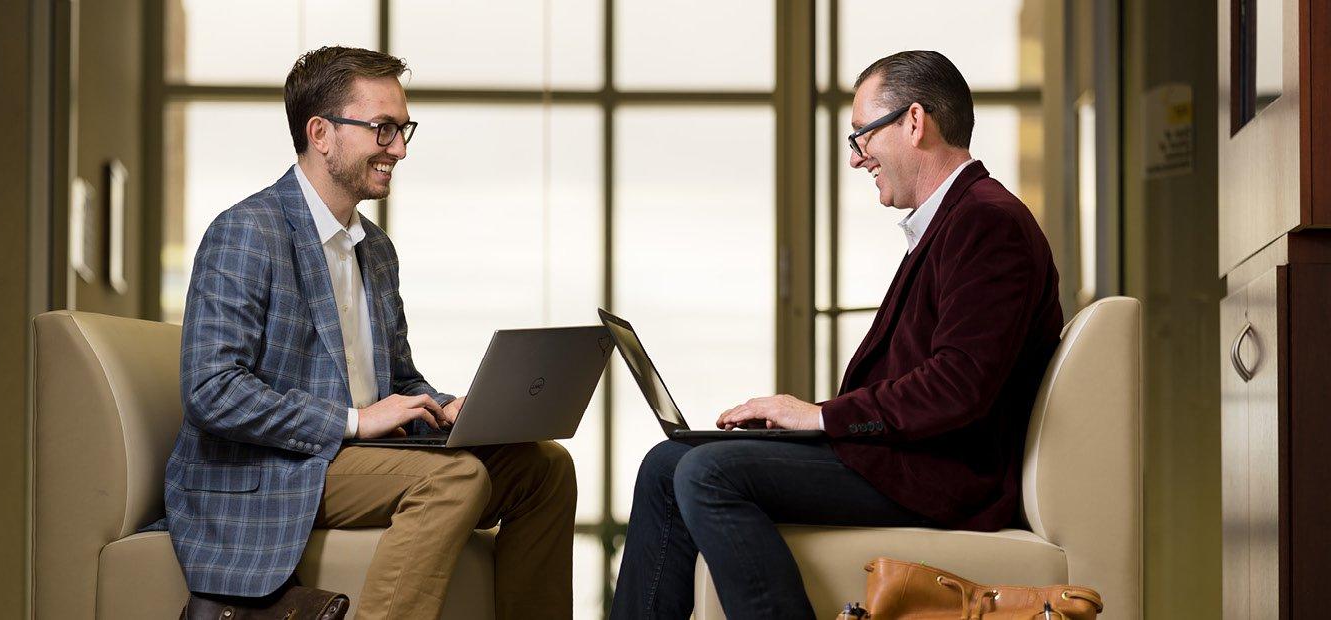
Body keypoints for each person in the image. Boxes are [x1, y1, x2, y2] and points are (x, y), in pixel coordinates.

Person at [609, 50, 1064, 619]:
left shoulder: (987, 222)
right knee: (666, 462)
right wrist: (810, 421)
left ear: (914, 123)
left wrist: (819, 417)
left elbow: (958, 385)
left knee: (709, 471)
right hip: (908, 457)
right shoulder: (952, 221)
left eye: (862, 135)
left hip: (943, 475)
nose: (856, 158)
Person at [161, 46, 575, 620]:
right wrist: (354, 421)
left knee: (545, 467)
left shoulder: (375, 250)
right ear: (321, 133)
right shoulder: (246, 232)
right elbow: (212, 392)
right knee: (454, 477)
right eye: (383, 129)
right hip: (272, 469)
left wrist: (453, 407)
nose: (399, 149)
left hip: (359, 456)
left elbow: (399, 379)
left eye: (403, 129)